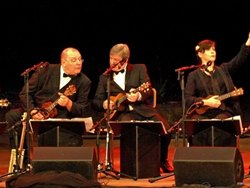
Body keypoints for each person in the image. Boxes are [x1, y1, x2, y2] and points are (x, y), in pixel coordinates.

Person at [92, 43, 174, 173]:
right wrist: (104, 103)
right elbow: (96, 101)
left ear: (126, 60)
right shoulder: (104, 78)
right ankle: (131, 167)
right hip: (120, 114)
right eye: (111, 58)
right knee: (129, 129)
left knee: (167, 130)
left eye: (116, 60)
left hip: (142, 109)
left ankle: (162, 160)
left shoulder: (139, 68)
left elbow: (147, 89)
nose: (112, 63)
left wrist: (138, 95)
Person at [5, 47, 92, 168]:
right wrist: (33, 110)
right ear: (64, 62)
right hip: (37, 109)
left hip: (62, 115)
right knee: (12, 116)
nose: (78, 63)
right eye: (74, 60)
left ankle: (55, 165)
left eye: (80, 60)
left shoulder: (84, 81)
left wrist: (68, 103)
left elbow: (82, 109)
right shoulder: (44, 71)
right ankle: (21, 164)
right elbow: (25, 93)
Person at [184, 31, 250, 146]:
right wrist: (205, 101)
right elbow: (188, 98)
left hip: (222, 111)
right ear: (200, 54)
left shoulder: (223, 70)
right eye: (209, 50)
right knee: (199, 126)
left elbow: (238, 59)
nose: (213, 52)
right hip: (202, 113)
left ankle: (221, 159)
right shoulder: (193, 75)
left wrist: (248, 43)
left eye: (214, 49)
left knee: (220, 123)